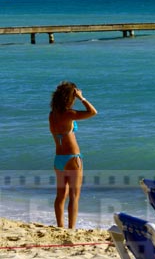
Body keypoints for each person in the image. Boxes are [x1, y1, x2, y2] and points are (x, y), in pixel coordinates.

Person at [49, 81, 97, 228]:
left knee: (61, 196)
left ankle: (60, 226)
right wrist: (82, 98)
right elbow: (93, 112)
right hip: (72, 158)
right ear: (70, 98)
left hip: (59, 159)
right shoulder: (69, 114)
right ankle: (71, 229)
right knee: (74, 196)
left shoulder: (52, 115)